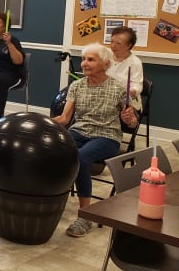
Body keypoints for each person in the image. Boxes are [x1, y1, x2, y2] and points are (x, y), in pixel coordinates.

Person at [53, 43, 138, 238]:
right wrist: (41, 122)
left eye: (90, 59)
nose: (84, 63)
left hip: (107, 136)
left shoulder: (118, 88)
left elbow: (132, 123)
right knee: (55, 151)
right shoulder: (77, 86)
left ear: (105, 64)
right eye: (84, 59)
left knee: (81, 158)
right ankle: (51, 198)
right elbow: (65, 119)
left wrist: (129, 119)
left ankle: (86, 216)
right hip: (80, 131)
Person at [106, 25, 143, 113]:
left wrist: (132, 90)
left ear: (128, 45)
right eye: (111, 41)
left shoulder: (135, 62)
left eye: (118, 43)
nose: (113, 46)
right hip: (105, 99)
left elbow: (137, 85)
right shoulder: (106, 56)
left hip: (127, 102)